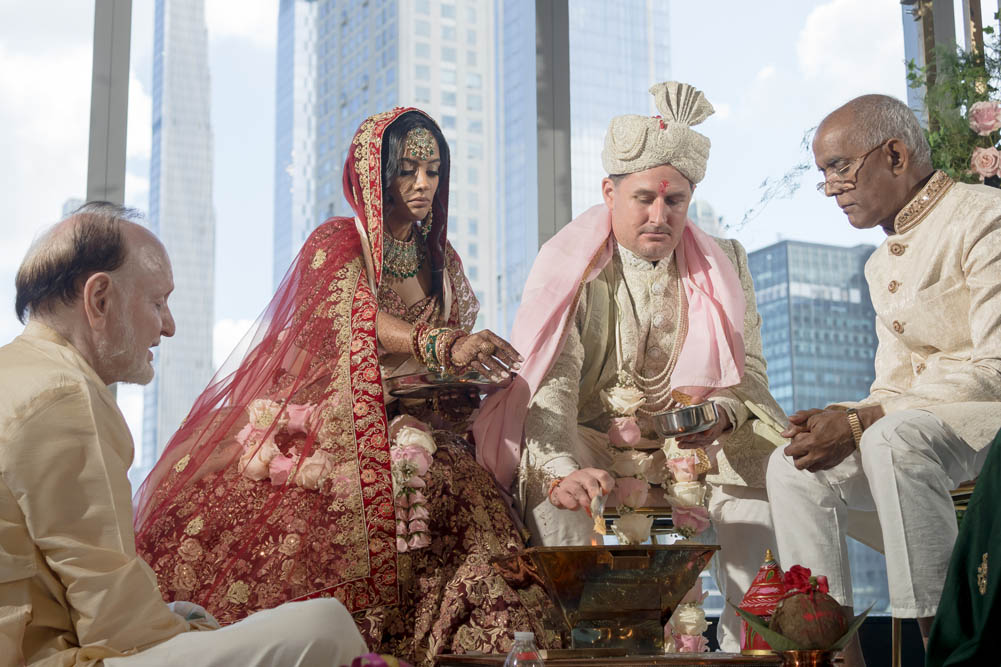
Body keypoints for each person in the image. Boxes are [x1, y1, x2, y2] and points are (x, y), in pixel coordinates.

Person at [133, 108, 556, 667]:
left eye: (433, 171)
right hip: (329, 425)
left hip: (421, 428)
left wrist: (469, 371)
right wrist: (441, 344)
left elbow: (437, 355)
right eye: (407, 171)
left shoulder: (442, 262)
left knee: (463, 494)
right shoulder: (339, 242)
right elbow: (355, 315)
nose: (423, 184)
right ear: (375, 177)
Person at [474, 81, 787, 653]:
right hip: (592, 443)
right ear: (609, 192)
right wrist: (561, 467)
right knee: (562, 503)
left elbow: (753, 378)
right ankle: (594, 657)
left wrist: (722, 412)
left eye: (676, 202)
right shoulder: (576, 267)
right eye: (644, 197)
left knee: (770, 495)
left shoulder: (727, 262)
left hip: (694, 454)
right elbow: (552, 387)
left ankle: (758, 652)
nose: (660, 215)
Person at [0, 202, 368, 666]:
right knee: (325, 627)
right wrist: (197, 628)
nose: (168, 327)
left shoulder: (19, 371)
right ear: (99, 300)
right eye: (157, 303)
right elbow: (116, 622)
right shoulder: (61, 394)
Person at [766, 94, 1000, 667]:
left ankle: (946, 648)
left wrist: (863, 420)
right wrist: (839, 419)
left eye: (840, 167)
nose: (831, 188)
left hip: (985, 417)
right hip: (920, 426)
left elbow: (995, 368)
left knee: (892, 438)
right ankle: (830, 655)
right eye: (823, 174)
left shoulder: (983, 216)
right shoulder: (879, 263)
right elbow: (891, 387)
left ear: (895, 154)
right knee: (790, 462)